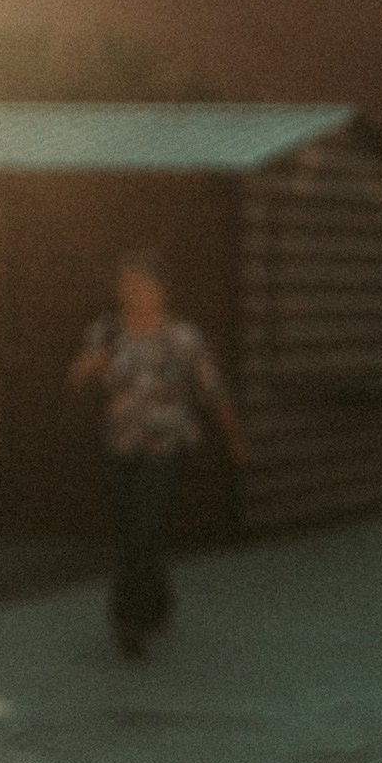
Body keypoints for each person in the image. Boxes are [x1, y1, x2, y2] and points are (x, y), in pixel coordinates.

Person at [70, 252, 246, 659]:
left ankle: (128, 621)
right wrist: (93, 365)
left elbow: (214, 389)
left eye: (143, 285)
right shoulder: (106, 332)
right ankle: (160, 602)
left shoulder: (183, 338)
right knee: (132, 530)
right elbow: (76, 377)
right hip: (120, 444)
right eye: (127, 286)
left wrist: (236, 441)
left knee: (145, 526)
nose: (134, 293)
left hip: (168, 444)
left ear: (161, 290)